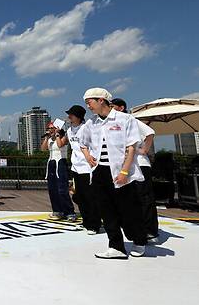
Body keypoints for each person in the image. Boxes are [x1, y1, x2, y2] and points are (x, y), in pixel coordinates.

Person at [80, 88, 147, 259]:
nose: (88, 106)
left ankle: (139, 240)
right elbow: (83, 143)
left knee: (128, 208)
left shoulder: (125, 119)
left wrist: (125, 171)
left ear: (101, 100)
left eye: (90, 102)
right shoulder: (91, 123)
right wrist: (88, 157)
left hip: (120, 170)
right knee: (106, 209)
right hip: (99, 170)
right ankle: (115, 245)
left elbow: (131, 147)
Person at [111, 98, 159, 243]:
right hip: (128, 166)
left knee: (145, 198)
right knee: (133, 199)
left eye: (112, 106)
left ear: (121, 108)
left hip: (140, 164)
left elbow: (150, 132)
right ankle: (138, 228)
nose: (110, 108)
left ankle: (150, 231)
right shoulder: (116, 122)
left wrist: (144, 149)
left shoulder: (130, 119)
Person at [65, 105, 101, 234]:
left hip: (87, 167)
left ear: (78, 116)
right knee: (79, 197)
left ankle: (94, 224)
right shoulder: (69, 130)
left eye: (71, 114)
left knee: (90, 197)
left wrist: (93, 160)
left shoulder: (87, 128)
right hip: (76, 167)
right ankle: (86, 222)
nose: (69, 116)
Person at [41, 121, 76, 221]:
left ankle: (69, 211)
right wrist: (47, 138)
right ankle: (57, 210)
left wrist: (57, 135)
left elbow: (60, 145)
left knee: (62, 189)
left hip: (61, 163)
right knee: (52, 189)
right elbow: (43, 149)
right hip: (51, 163)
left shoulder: (63, 138)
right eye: (49, 128)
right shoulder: (50, 139)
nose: (50, 130)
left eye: (52, 128)